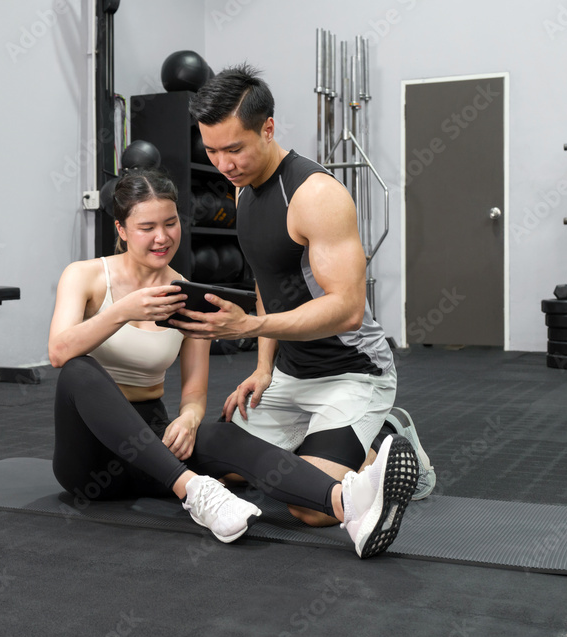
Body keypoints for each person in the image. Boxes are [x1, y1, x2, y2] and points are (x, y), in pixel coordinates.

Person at [48, 168, 420, 557]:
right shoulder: (85, 277)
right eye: (146, 227)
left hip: (151, 448)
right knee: (78, 371)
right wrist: (122, 311)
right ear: (121, 229)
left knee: (224, 434)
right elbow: (59, 352)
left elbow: (193, 392)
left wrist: (190, 419)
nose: (162, 237)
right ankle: (196, 491)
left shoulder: (185, 294)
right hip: (89, 462)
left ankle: (350, 506)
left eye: (171, 223)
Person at [174, 63, 433, 534]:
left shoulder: (315, 195)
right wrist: (262, 369)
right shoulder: (242, 193)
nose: (223, 165)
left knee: (310, 509)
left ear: (268, 128)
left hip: (351, 372)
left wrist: (251, 328)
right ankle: (337, 446)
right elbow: (266, 284)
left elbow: (348, 308)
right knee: (215, 466)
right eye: (211, 151)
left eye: (235, 149)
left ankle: (388, 440)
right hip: (292, 374)